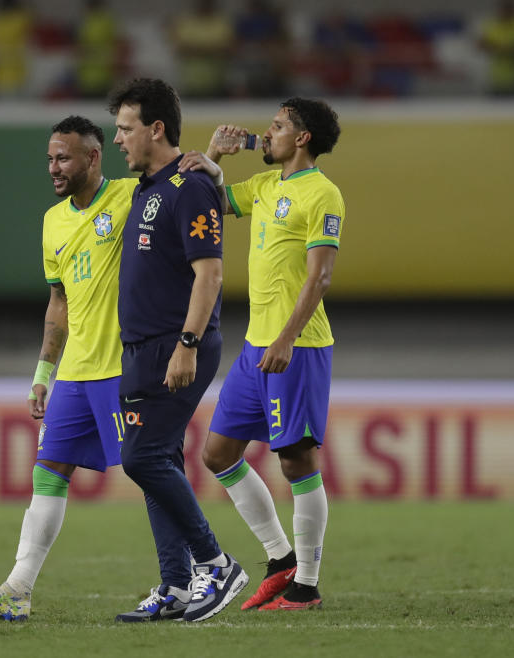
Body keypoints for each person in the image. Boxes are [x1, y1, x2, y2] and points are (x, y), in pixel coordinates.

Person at [0, 116, 137, 621]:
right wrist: (43, 373)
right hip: (75, 371)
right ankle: (17, 589)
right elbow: (59, 302)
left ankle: (204, 566)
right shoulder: (53, 220)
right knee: (49, 472)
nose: (53, 168)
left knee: (153, 470)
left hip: (123, 366)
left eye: (64, 158)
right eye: (49, 158)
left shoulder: (129, 196)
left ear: (94, 157)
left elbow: (178, 182)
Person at [178, 97, 343, 610]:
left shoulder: (323, 194)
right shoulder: (267, 187)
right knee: (217, 454)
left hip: (297, 347)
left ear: (302, 138)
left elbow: (321, 275)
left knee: (296, 460)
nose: (265, 133)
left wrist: (287, 337)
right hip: (255, 348)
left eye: (275, 127)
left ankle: (307, 585)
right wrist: (217, 156)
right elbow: (213, 202)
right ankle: (280, 560)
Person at [108, 77, 247, 623]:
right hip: (142, 347)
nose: (118, 139)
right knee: (155, 462)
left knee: (140, 457)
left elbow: (209, 274)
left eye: (125, 129)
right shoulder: (152, 185)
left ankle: (216, 564)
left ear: (155, 128)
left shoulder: (189, 188)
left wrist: (187, 344)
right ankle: (176, 584)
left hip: (175, 345)